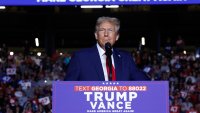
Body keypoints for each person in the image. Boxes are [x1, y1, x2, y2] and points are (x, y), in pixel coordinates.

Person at [64, 16, 149, 81]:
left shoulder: (125, 58)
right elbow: (67, 88)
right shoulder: (81, 58)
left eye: (110, 30)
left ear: (117, 36)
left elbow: (145, 83)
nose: (106, 34)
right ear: (96, 35)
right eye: (102, 30)